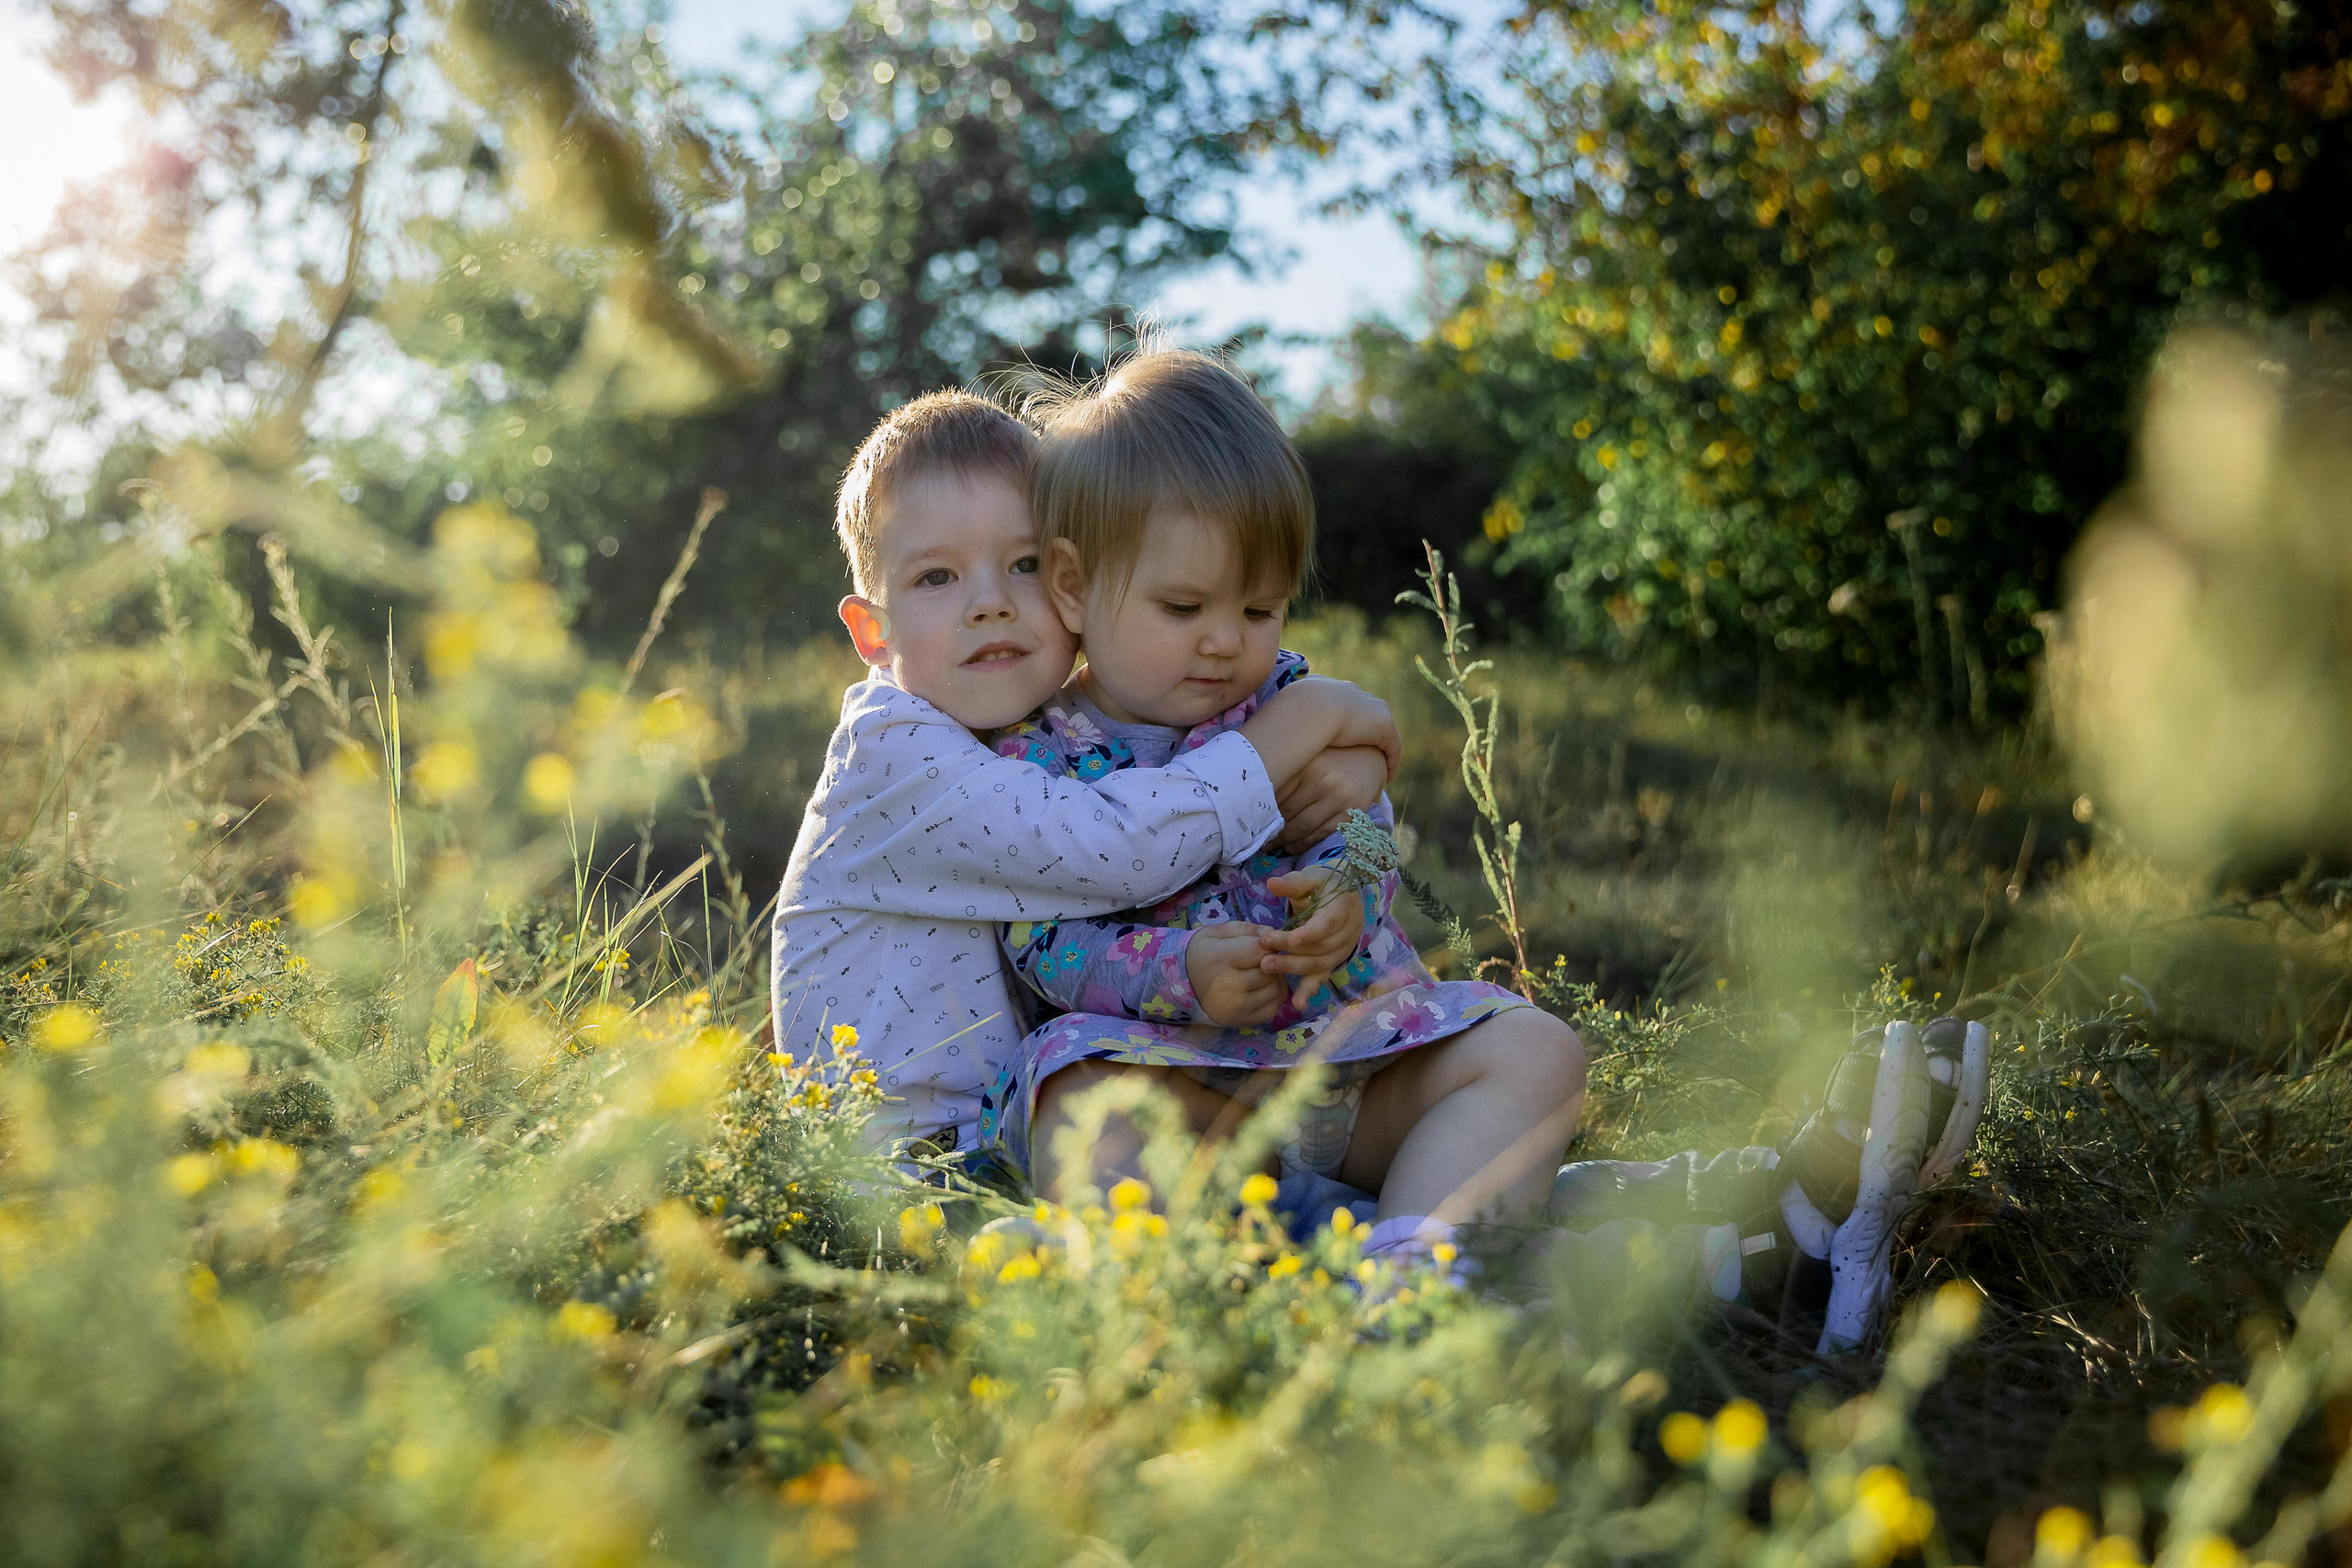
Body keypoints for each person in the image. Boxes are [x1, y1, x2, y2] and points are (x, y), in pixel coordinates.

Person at [978, 344, 1589, 1273]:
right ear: (1071, 583)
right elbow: (1043, 939)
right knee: (1075, 1090)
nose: (1226, 642)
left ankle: (1411, 1266)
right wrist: (1179, 970)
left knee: (1536, 1050)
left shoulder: (1290, 708)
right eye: (1183, 607)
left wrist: (1350, 885)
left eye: (1261, 610)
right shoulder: (1034, 755)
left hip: (1354, 1070)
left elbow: (1367, 835)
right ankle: (1157, 1271)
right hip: (1181, 1087)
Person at [769, 389, 1403, 1162]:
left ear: (1075, 584)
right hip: (907, 1168)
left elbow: (1342, 829)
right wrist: (1314, 718)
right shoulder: (895, 757)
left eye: (1025, 564)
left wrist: (1351, 778)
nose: (991, 604)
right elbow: (1113, 845)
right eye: (937, 578)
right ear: (873, 631)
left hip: (1019, 1140)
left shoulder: (1029, 738)